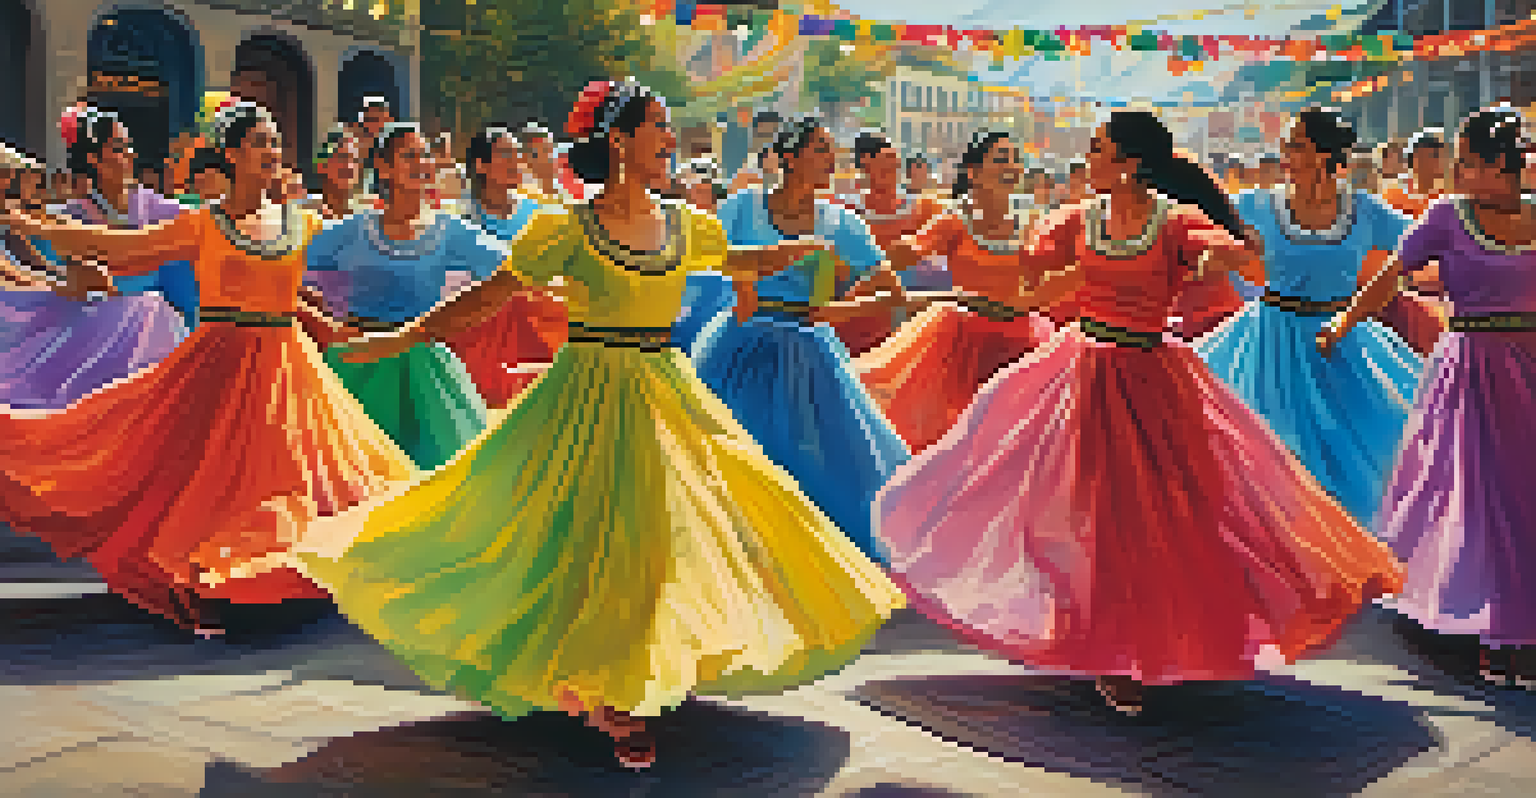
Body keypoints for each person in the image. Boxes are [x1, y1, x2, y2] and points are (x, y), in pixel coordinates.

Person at [293, 80, 904, 770]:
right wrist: (401, 339)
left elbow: (731, 262)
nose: (672, 140)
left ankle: (634, 679)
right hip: (585, 396)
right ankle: (607, 685)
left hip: (664, 392)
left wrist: (782, 258)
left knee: (674, 533)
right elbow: (489, 300)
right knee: (579, 536)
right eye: (660, 127)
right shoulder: (566, 228)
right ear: (619, 140)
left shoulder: (689, 223)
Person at [874, 111, 1403, 715]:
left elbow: (1226, 249)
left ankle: (1145, 641)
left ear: (1127, 164)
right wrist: (954, 252)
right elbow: (1029, 265)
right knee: (1079, 510)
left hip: (1151, 376)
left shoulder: (1176, 220)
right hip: (1081, 372)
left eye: (1098, 149)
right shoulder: (1075, 218)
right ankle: (1103, 646)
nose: (1088, 157)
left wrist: (1220, 257)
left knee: (1158, 514)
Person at [0, 101, 417, 635]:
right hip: (220, 365)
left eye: (275, 141)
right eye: (261, 142)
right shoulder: (204, 224)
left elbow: (317, 280)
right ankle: (231, 580)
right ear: (233, 153)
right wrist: (28, 224)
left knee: (294, 478)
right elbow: (118, 247)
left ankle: (282, 576)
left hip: (290, 368)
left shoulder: (305, 222)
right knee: (213, 479)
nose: (272, 151)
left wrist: (351, 323)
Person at [1320, 106, 1536, 688]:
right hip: (1469, 373)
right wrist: (1344, 321)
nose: (1455, 172)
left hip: (1531, 368)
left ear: (1501, 166)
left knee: (1527, 497)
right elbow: (1391, 275)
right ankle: (1492, 629)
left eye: (1466, 162)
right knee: (1480, 499)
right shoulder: (1447, 217)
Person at [689, 117, 913, 564]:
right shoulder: (740, 207)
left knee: (819, 461)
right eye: (821, 149)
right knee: (735, 452)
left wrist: (835, 312)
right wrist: (744, 285)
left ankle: (808, 562)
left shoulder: (840, 222)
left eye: (832, 150)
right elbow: (707, 258)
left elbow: (893, 295)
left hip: (809, 352)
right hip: (740, 345)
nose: (831, 159)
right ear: (789, 157)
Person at [1198, 108, 1422, 525]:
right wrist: (1215, 256)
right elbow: (1202, 234)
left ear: (1323, 155)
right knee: (1278, 447)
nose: (1285, 152)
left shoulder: (1366, 211)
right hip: (1271, 343)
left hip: (1342, 339)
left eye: (1296, 144)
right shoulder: (1257, 205)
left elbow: (1425, 241)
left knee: (1368, 439)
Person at [302, 123, 504, 470]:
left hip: (425, 369)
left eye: (425, 155)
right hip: (357, 362)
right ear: (383, 167)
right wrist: (329, 325)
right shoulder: (346, 232)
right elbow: (289, 275)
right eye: (409, 155)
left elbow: (517, 271)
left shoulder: (454, 232)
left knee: (437, 474)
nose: (421, 163)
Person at [856, 130, 1057, 452]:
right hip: (965, 344)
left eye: (1014, 160)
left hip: (1023, 341)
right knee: (962, 440)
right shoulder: (953, 221)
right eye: (1001, 160)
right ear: (974, 172)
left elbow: (1054, 275)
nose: (1011, 167)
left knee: (1019, 445)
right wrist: (858, 277)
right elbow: (899, 256)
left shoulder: (1034, 220)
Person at [0, 108, 190, 409]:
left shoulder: (158, 208)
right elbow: (52, 272)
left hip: (146, 312)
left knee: (154, 312)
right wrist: (69, 281)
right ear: (94, 159)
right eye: (118, 148)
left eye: (128, 146)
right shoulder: (69, 214)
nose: (129, 155)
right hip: (92, 316)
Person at [445, 126, 568, 408]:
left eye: (516, 153)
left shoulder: (540, 212)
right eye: (504, 154)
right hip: (485, 333)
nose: (516, 161)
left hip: (539, 327)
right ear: (481, 166)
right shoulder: (459, 219)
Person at [831, 130, 946, 356]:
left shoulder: (924, 208)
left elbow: (941, 254)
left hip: (910, 311)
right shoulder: (846, 212)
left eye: (894, 163)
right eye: (883, 164)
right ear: (864, 166)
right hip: (863, 310)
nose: (891, 171)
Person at [310, 126, 367, 220]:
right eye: (343, 158)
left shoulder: (369, 211)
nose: (350, 166)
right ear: (322, 165)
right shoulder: (305, 211)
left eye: (355, 160)